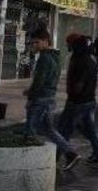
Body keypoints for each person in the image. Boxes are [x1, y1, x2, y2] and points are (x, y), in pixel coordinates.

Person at [23, 29, 80, 170]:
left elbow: (40, 81)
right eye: (32, 43)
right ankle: (70, 153)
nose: (34, 45)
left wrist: (30, 94)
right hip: (49, 97)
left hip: (40, 98)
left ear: (46, 42)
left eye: (37, 42)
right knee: (49, 130)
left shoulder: (44, 58)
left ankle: (28, 163)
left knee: (30, 130)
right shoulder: (55, 56)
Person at [58, 35, 98, 166]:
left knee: (64, 128)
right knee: (90, 129)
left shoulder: (81, 59)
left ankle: (61, 156)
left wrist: (73, 94)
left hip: (78, 101)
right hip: (89, 100)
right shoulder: (90, 58)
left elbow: (80, 82)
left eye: (69, 44)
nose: (68, 46)